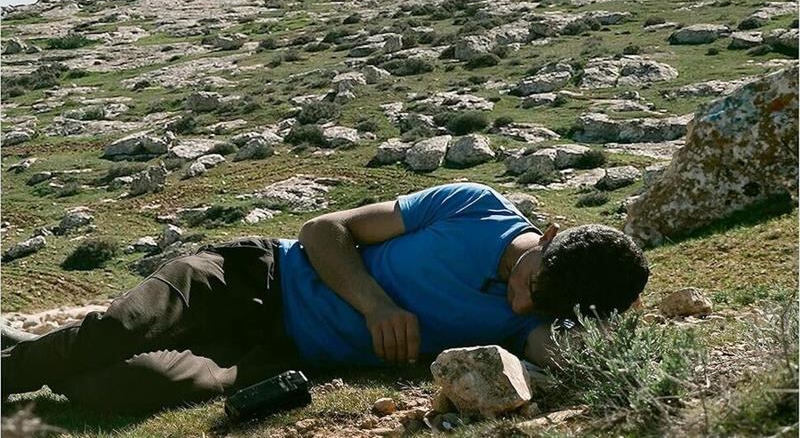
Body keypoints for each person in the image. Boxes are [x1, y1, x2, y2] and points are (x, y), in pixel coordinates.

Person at [1, 182, 649, 413]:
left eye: (541, 308)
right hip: (258, 273)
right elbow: (322, 230)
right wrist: (375, 305)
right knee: (122, 329)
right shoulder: (475, 206)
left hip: (282, 350)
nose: (519, 307)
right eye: (531, 285)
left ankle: (38, 355)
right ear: (551, 234)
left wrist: (619, 318)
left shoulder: (535, 318)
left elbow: (568, 355)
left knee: (127, 386)